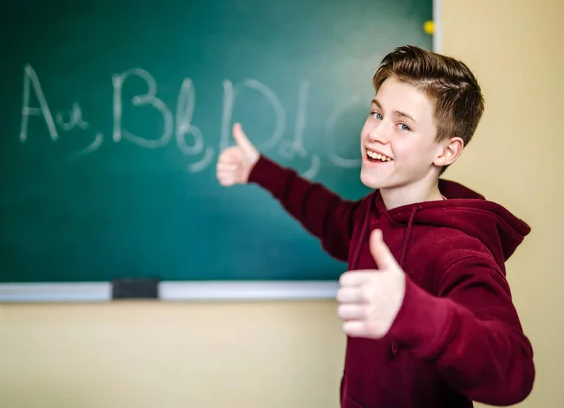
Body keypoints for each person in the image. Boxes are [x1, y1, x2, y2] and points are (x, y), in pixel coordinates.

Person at [215, 45, 534, 408]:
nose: (375, 134)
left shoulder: (459, 253)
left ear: (445, 151)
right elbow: (327, 215)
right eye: (376, 114)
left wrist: (414, 312)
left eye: (402, 125)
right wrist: (259, 169)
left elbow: (514, 373)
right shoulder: (373, 215)